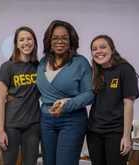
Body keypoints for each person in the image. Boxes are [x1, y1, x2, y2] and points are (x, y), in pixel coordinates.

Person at [36, 20, 96, 165]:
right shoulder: (42, 62)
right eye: (55, 38)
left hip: (72, 120)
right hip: (45, 119)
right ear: (49, 41)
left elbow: (90, 94)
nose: (59, 41)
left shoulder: (80, 63)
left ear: (71, 41)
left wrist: (67, 105)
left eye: (64, 38)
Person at [87, 35, 139, 165]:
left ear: (112, 49)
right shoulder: (95, 72)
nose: (98, 51)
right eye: (94, 49)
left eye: (103, 47)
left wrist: (126, 137)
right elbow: (88, 98)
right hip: (94, 132)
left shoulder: (125, 70)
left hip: (116, 132)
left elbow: (128, 104)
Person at [0, 26, 40, 165]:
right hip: (11, 125)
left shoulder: (39, 66)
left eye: (29, 39)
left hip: (32, 125)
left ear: (34, 42)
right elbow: (1, 100)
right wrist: (1, 130)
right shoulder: (8, 66)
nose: (26, 42)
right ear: (16, 44)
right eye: (21, 39)